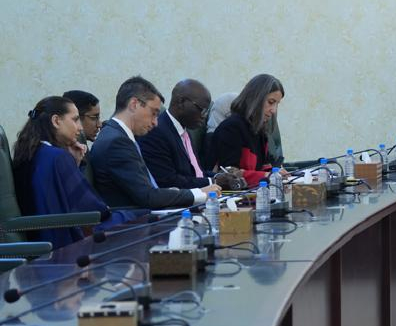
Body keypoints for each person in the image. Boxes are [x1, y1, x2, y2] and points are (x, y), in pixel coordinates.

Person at [11, 96, 140, 248]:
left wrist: (74, 164)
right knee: (144, 216)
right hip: (67, 243)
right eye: (75, 119)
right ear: (56, 121)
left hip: (43, 240)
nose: (80, 128)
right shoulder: (57, 157)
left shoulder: (28, 153)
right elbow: (95, 211)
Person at [90, 76, 219, 211]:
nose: (155, 122)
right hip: (132, 219)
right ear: (134, 104)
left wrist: (174, 192)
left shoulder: (117, 135)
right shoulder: (117, 142)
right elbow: (148, 196)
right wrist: (200, 193)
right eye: (153, 113)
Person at [139, 79, 243, 190]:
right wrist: (213, 181)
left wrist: (223, 176)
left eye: (206, 111)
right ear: (181, 102)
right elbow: (168, 181)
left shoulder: (185, 130)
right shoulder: (156, 132)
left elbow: (196, 174)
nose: (204, 116)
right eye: (201, 109)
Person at [208, 74, 285, 187]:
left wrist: (276, 172)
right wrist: (266, 176)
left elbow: (263, 166)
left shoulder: (259, 129)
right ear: (255, 99)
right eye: (270, 102)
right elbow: (228, 174)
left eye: (277, 104)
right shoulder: (231, 128)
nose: (273, 110)